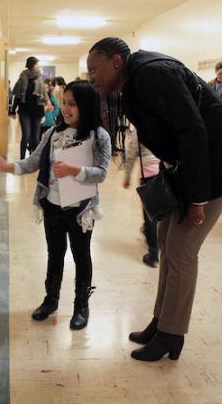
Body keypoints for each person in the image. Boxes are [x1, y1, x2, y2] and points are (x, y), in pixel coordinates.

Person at [87, 37, 222, 361]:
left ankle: (171, 335)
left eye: (95, 69)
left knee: (182, 250)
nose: (91, 77)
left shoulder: (152, 74)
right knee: (165, 238)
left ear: (116, 61)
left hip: (213, 165)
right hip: (190, 167)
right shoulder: (135, 81)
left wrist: (198, 198)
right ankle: (161, 322)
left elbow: (193, 130)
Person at [0, 80, 111, 331]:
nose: (65, 109)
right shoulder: (52, 133)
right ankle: (51, 299)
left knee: (81, 256)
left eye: (72, 104)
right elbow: (32, 162)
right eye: (64, 103)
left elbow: (101, 173)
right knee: (54, 254)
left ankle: (81, 306)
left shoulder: (99, 136)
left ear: (86, 106)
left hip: (81, 211)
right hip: (53, 207)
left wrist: (75, 170)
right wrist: (6, 166)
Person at [123, 127, 160, 268]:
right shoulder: (164, 122)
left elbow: (131, 154)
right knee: (161, 211)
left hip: (148, 176)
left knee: (150, 215)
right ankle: (153, 237)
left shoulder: (140, 129)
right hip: (165, 173)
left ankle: (153, 255)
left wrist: (127, 177)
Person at [10, 56, 49, 159]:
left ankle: (34, 159)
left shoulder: (40, 78)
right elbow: (17, 96)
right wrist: (13, 110)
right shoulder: (22, 78)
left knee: (36, 137)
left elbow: (44, 94)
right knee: (26, 135)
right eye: (37, 64)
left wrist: (48, 103)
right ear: (31, 65)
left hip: (37, 111)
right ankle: (22, 159)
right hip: (24, 110)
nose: (38, 66)